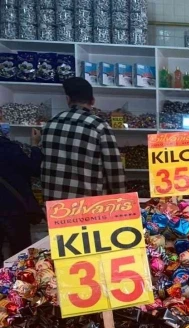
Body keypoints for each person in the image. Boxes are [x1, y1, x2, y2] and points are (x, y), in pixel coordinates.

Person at [41, 77, 126, 201]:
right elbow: (114, 170)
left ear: (68, 99)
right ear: (92, 101)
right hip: (88, 206)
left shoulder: (50, 124)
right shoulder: (98, 125)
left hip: (56, 206)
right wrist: (122, 201)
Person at [0, 121, 43, 262]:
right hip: (14, 210)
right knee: (21, 256)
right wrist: (35, 145)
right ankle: (21, 283)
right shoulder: (10, 148)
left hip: (12, 209)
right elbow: (34, 169)